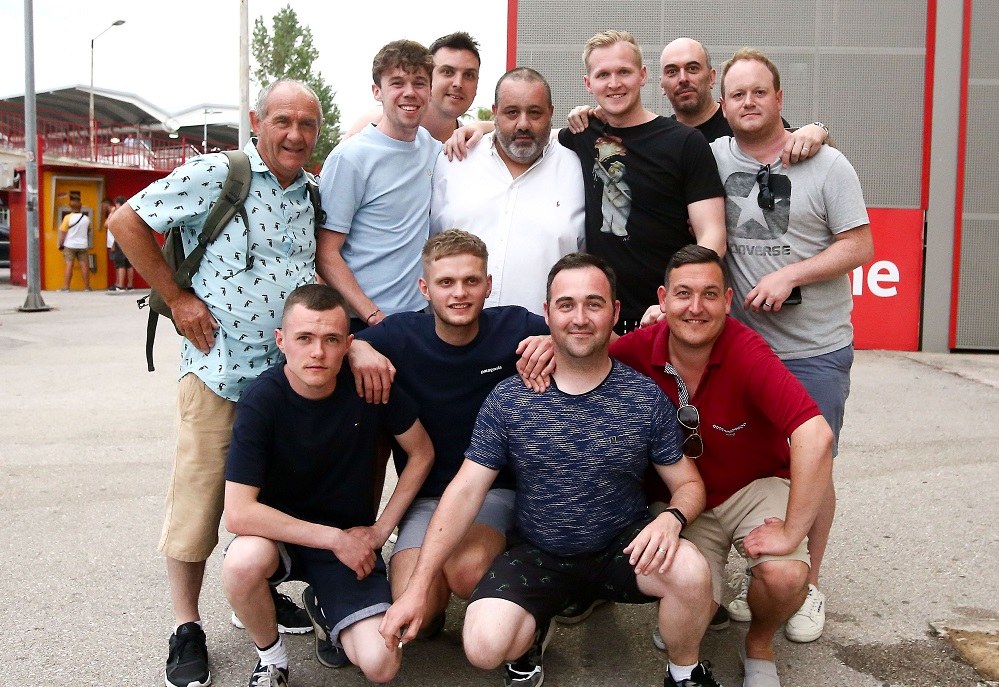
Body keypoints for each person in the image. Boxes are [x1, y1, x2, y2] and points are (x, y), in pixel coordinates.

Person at [381, 253, 721, 687]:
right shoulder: (509, 399)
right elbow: (465, 490)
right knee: (483, 646)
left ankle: (685, 671)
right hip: (538, 553)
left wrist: (672, 519)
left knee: (691, 571)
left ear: (614, 311)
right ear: (547, 313)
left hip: (623, 548)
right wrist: (416, 589)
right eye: (566, 305)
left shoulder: (644, 396)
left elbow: (688, 483)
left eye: (594, 304)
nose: (579, 318)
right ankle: (531, 635)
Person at [109, 79, 324, 687]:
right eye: (282, 121)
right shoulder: (218, 173)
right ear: (257, 122)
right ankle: (186, 626)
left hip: (285, 385)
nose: (295, 135)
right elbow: (125, 221)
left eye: (307, 125)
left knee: (267, 503)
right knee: (198, 504)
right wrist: (177, 299)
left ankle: (251, 593)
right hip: (218, 374)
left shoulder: (310, 192)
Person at [611, 245, 834, 687]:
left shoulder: (746, 349)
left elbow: (816, 436)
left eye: (709, 294)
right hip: (683, 498)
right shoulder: (636, 350)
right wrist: (547, 342)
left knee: (784, 576)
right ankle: (699, 622)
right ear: (663, 299)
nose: (696, 307)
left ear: (728, 301)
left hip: (752, 485)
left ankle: (759, 645)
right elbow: (584, 350)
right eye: (683, 294)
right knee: (684, 606)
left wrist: (791, 532)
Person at [710, 48, 874, 642]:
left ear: (780, 98)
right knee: (747, 465)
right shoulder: (712, 157)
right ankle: (755, 574)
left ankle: (809, 585)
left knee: (813, 467)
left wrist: (792, 275)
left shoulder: (826, 163)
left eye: (760, 91)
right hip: (740, 350)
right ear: (722, 104)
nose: (749, 102)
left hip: (813, 350)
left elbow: (860, 245)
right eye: (737, 94)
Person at [346, 229, 551, 652]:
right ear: (425, 288)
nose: (459, 293)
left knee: (466, 571)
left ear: (488, 285)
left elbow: (591, 337)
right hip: (427, 495)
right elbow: (325, 345)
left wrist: (555, 341)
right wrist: (354, 349)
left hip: (494, 489)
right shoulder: (400, 336)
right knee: (416, 612)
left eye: (471, 281)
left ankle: (531, 614)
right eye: (446, 282)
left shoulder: (515, 328)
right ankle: (435, 602)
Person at [221, 284, 434, 687]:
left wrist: (380, 531)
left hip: (350, 541)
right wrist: (334, 539)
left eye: (331, 339)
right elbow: (238, 513)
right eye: (304, 338)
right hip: (281, 537)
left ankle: (323, 606)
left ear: (348, 345)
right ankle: (271, 659)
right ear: (281, 341)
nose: (318, 352)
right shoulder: (261, 400)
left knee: (381, 665)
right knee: (241, 562)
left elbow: (422, 453)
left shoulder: (369, 385)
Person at [556, 31, 727, 333]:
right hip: (601, 324)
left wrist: (676, 299)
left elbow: (712, 235)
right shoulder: (582, 134)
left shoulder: (686, 142)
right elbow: (524, 133)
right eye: (603, 74)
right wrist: (476, 128)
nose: (614, 83)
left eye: (624, 72)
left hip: (669, 319)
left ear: (643, 75)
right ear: (588, 83)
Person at [430, 68, 585, 315]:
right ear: (495, 113)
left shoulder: (577, 169)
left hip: (545, 334)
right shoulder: (453, 161)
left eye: (534, 113)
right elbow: (430, 246)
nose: (523, 124)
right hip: (457, 330)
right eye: (512, 112)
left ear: (551, 113)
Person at [317, 39, 443, 332]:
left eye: (419, 83)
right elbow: (325, 253)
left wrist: (482, 127)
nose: (409, 92)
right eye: (397, 83)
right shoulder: (351, 158)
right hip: (362, 321)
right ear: (377, 91)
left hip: (417, 317)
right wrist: (373, 317)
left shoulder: (431, 148)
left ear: (430, 91)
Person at [345, 32, 481, 143]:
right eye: (447, 72)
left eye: (469, 75)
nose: (458, 83)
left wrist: (482, 126)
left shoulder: (472, 143)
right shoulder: (372, 128)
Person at [57, 190, 91, 291]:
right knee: (84, 266)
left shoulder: (67, 218)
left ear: (70, 207)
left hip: (70, 245)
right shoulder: (86, 218)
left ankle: (66, 287)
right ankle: (87, 287)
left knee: (69, 265)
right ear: (81, 207)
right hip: (83, 245)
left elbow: (63, 232)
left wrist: (61, 244)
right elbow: (88, 230)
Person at [106, 195, 134, 293]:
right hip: (128, 240)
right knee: (129, 264)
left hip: (119, 240)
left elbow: (107, 224)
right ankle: (130, 285)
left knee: (120, 264)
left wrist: (112, 212)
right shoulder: (129, 213)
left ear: (117, 203)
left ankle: (120, 285)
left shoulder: (118, 213)